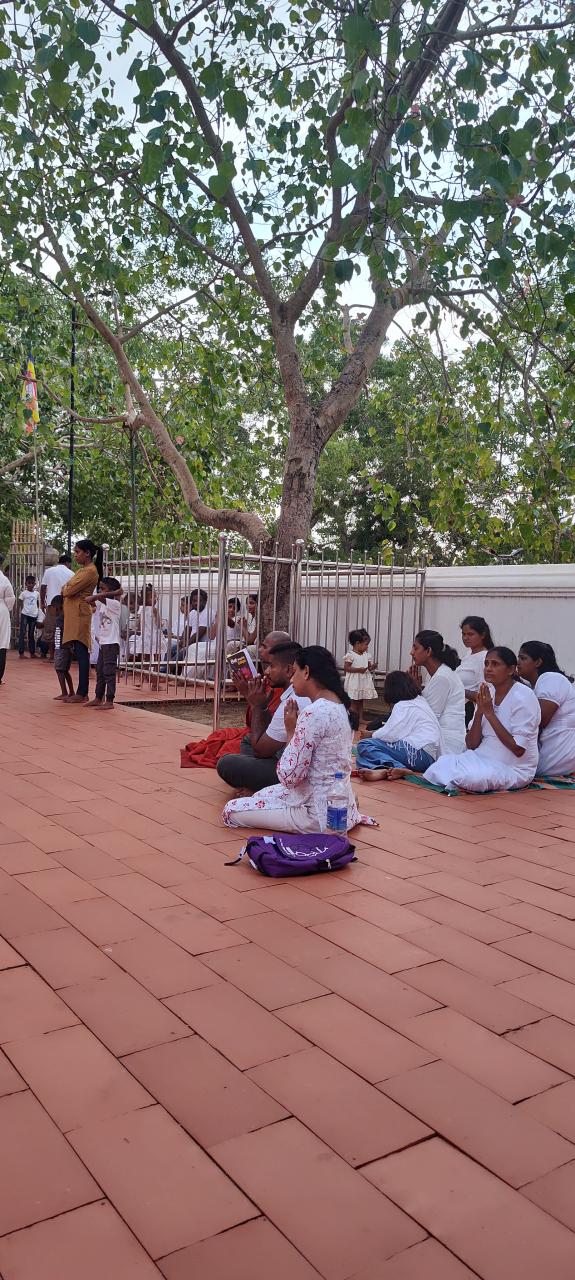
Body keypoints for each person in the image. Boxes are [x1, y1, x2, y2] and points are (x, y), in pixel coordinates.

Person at [223, 644, 360, 833]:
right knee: (261, 794)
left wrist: (290, 731)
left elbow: (289, 777)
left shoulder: (313, 712)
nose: (291, 678)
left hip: (315, 815)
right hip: (339, 804)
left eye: (294, 672)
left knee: (231, 810)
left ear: (307, 672)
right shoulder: (340, 706)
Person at [422, 646, 541, 793]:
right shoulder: (487, 693)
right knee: (440, 766)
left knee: (469, 779)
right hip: (481, 756)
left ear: (511, 670)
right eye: (486, 664)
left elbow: (518, 749)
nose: (488, 669)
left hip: (513, 766)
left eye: (495, 664)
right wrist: (479, 713)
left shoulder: (524, 696)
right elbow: (471, 745)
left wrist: (490, 714)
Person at [217, 639, 310, 791]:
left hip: (294, 772)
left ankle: (261, 787)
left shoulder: (293, 699)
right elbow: (266, 733)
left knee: (226, 764)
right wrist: (259, 704)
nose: (266, 672)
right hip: (284, 754)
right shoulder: (295, 692)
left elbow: (261, 750)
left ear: (289, 670)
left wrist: (257, 706)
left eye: (271, 666)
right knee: (248, 740)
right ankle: (255, 780)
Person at [356, 670, 442, 779]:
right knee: (362, 756)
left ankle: (399, 767)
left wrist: (371, 735)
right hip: (428, 758)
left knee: (364, 745)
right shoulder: (420, 701)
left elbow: (390, 735)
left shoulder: (403, 705)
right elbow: (396, 732)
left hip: (417, 755)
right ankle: (383, 771)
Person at [517, 641, 575, 776]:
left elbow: (540, 719)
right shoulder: (536, 685)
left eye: (523, 658)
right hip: (555, 751)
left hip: (558, 753)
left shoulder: (551, 678)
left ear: (538, 662)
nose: (517, 662)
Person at [410, 629, 466, 754]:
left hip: (446, 744)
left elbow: (428, 717)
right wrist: (417, 689)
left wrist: (413, 691)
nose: (411, 652)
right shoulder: (433, 675)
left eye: (416, 648)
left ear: (428, 651)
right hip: (434, 737)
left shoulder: (442, 677)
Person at [61, 539, 103, 703]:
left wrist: (68, 589)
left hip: (80, 615)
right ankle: (80, 691)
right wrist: (68, 589)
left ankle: (82, 692)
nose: (75, 555)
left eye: (77, 552)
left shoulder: (90, 571)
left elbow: (68, 590)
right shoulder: (82, 570)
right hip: (74, 615)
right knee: (78, 653)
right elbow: (66, 588)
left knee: (81, 652)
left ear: (87, 553)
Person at [86, 576, 123, 710]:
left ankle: (109, 700)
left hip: (111, 643)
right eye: (99, 588)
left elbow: (98, 598)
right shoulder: (103, 603)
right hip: (103, 642)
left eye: (103, 588)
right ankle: (98, 697)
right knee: (100, 671)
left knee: (109, 672)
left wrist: (111, 593)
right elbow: (93, 602)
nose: (100, 591)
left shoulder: (114, 604)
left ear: (111, 590)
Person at [457, 616, 495, 725]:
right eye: (463, 634)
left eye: (470, 634)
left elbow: (485, 695)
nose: (466, 638)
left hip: (470, 713)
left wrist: (460, 690)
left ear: (482, 635)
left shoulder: (484, 658)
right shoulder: (469, 654)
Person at [343, 628, 377, 728]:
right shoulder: (350, 655)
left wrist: (372, 667)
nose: (367, 647)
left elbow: (369, 667)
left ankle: (361, 718)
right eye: (366, 644)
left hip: (363, 681)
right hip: (355, 682)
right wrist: (358, 670)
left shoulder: (366, 655)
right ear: (357, 643)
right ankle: (353, 719)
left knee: (361, 700)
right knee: (354, 701)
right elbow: (346, 668)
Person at [53, 598, 74, 700]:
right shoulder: (64, 616)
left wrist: (66, 645)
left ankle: (64, 692)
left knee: (59, 670)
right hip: (62, 647)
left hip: (62, 647)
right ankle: (71, 691)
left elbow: (63, 631)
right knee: (64, 670)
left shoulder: (61, 617)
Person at [0, 563, 15, 686]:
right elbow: (10, 599)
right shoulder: (4, 580)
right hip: (2, 610)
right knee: (1, 643)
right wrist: (5, 608)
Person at [18, 575, 40, 658]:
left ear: (34, 584)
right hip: (25, 615)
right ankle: (21, 653)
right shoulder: (23, 593)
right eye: (29, 583)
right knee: (22, 633)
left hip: (33, 616)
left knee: (31, 634)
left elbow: (37, 604)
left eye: (32, 583)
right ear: (26, 584)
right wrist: (19, 613)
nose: (30, 585)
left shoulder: (36, 594)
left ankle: (32, 653)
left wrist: (37, 612)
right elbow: (19, 604)